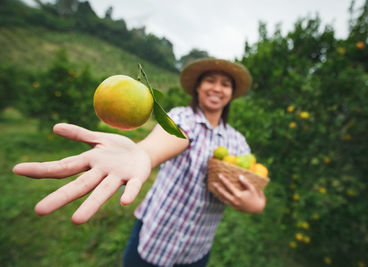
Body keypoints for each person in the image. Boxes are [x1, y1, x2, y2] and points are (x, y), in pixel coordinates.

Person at [13, 58, 266, 267]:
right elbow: (173, 137)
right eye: (210, 80)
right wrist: (143, 153)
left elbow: (251, 184)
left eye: (225, 84)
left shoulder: (237, 141)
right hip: (153, 238)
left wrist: (254, 204)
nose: (217, 88)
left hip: (196, 250)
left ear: (231, 93)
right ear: (198, 87)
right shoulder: (181, 118)